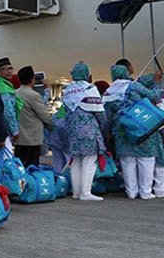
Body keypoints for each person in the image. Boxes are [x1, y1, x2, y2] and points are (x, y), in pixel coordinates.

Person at [104, 65, 163, 199]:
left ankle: (131, 191)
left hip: (122, 129)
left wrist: (108, 133)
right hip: (142, 125)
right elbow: (154, 96)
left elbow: (107, 117)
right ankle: (145, 192)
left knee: (127, 160)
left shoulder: (109, 92)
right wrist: (157, 82)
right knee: (146, 159)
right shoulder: (133, 86)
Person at [62, 62, 106, 201]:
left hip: (72, 131)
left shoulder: (68, 89)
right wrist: (104, 127)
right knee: (89, 161)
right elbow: (99, 112)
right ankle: (86, 193)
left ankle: (76, 192)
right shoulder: (90, 88)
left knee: (76, 161)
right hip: (88, 131)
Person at [14, 65, 52, 167]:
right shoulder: (34, 95)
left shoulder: (15, 93)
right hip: (32, 139)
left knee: (20, 166)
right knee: (31, 167)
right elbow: (44, 115)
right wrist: (52, 127)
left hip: (19, 138)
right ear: (32, 80)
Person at [137, 74, 164, 197]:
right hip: (157, 134)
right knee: (159, 162)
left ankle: (155, 189)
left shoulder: (141, 102)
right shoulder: (158, 99)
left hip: (149, 135)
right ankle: (159, 189)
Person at [0, 57, 21, 148]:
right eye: (4, 69)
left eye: (10, 68)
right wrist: (15, 130)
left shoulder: (0, 84)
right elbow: (7, 111)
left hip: (0, 130)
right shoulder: (3, 88)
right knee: (6, 160)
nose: (9, 71)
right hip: (4, 132)